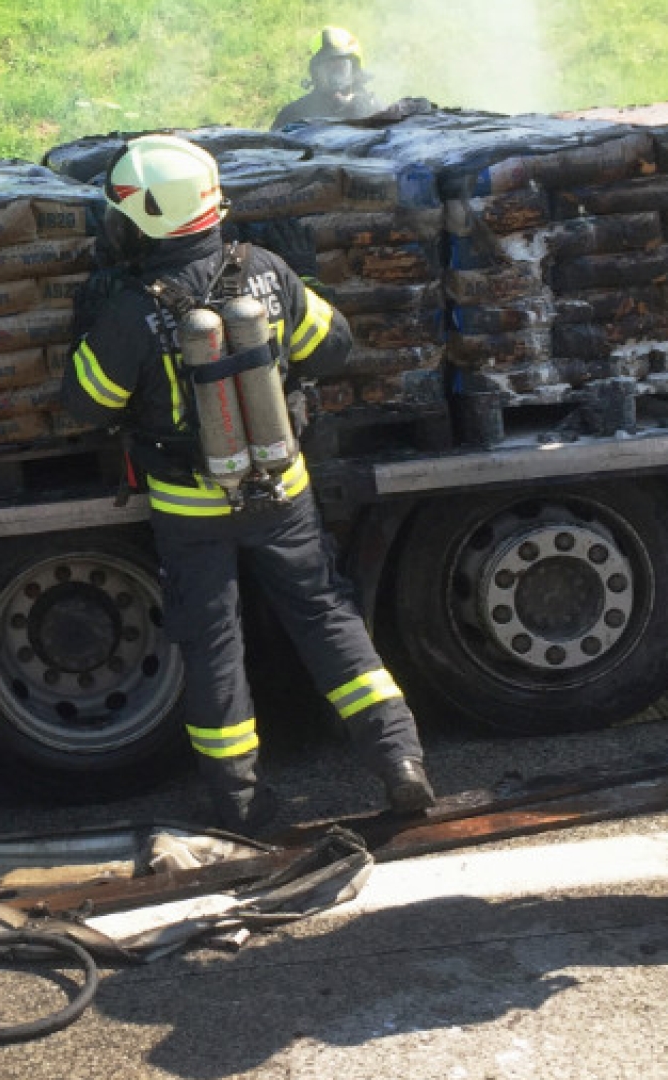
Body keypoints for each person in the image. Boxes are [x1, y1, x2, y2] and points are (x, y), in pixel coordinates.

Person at [61, 134, 435, 834]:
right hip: (283, 489)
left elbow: (85, 404)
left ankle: (239, 799)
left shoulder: (130, 311)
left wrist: (92, 328)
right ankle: (400, 763)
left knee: (213, 643)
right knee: (326, 616)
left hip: (190, 505)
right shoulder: (266, 272)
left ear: (141, 220)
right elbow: (333, 347)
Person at [271, 27, 383, 130]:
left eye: (340, 68)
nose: (335, 78)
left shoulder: (375, 111)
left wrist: (361, 113)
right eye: (328, 69)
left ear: (355, 71)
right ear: (315, 75)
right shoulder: (294, 115)